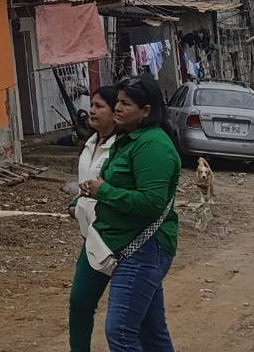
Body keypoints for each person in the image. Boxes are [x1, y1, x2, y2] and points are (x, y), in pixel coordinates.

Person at [79, 75, 181, 352]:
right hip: (127, 245)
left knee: (121, 331)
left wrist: (104, 191)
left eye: (126, 103)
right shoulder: (128, 139)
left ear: (145, 111)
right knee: (152, 332)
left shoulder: (153, 145)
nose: (118, 108)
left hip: (143, 248)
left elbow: (152, 202)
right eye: (118, 102)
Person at [68, 86, 121, 352]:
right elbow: (85, 186)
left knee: (129, 315)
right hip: (92, 238)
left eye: (99, 106)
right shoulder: (90, 143)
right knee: (80, 302)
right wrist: (76, 204)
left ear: (115, 112)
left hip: (117, 237)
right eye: (92, 105)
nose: (91, 111)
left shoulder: (122, 148)